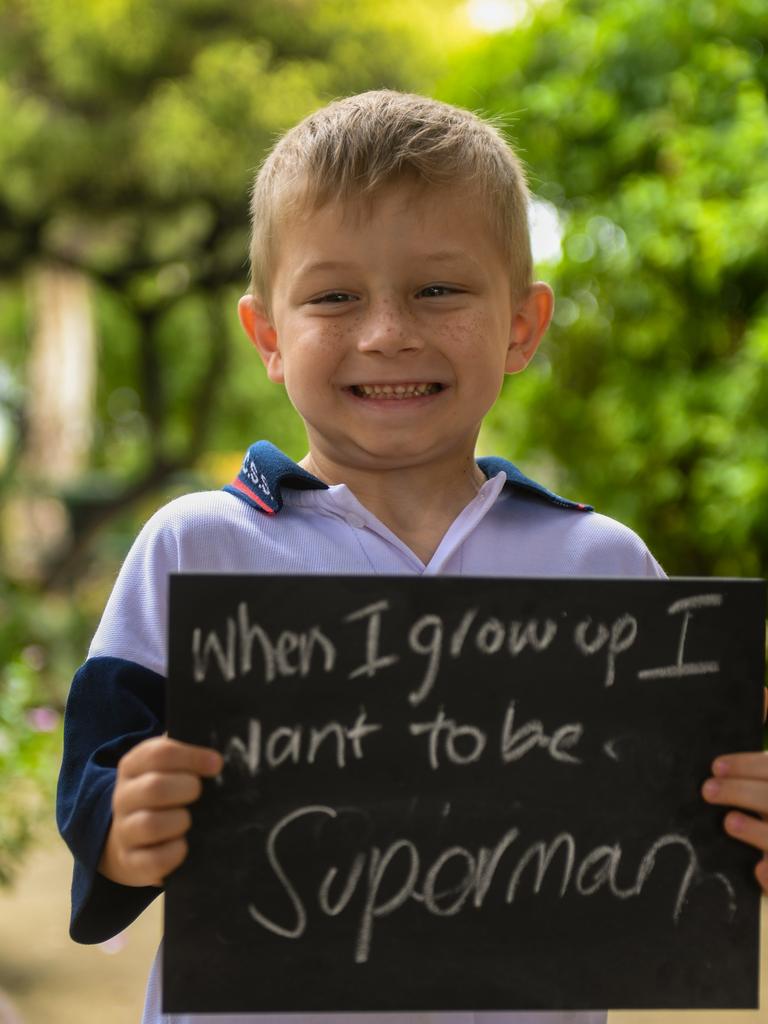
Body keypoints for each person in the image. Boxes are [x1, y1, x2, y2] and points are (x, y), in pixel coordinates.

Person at [57, 90, 768, 1024]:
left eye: (438, 289)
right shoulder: (196, 546)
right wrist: (120, 829)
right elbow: (95, 778)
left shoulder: (606, 568)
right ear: (268, 335)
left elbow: (688, 836)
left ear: (522, 325)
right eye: (334, 295)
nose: (387, 330)